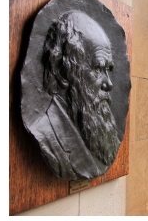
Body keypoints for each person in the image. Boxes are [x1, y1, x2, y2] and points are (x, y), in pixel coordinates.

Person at [30, 10, 120, 180]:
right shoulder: (47, 137)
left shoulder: (96, 131)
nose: (109, 84)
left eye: (108, 69)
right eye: (97, 69)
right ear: (63, 72)